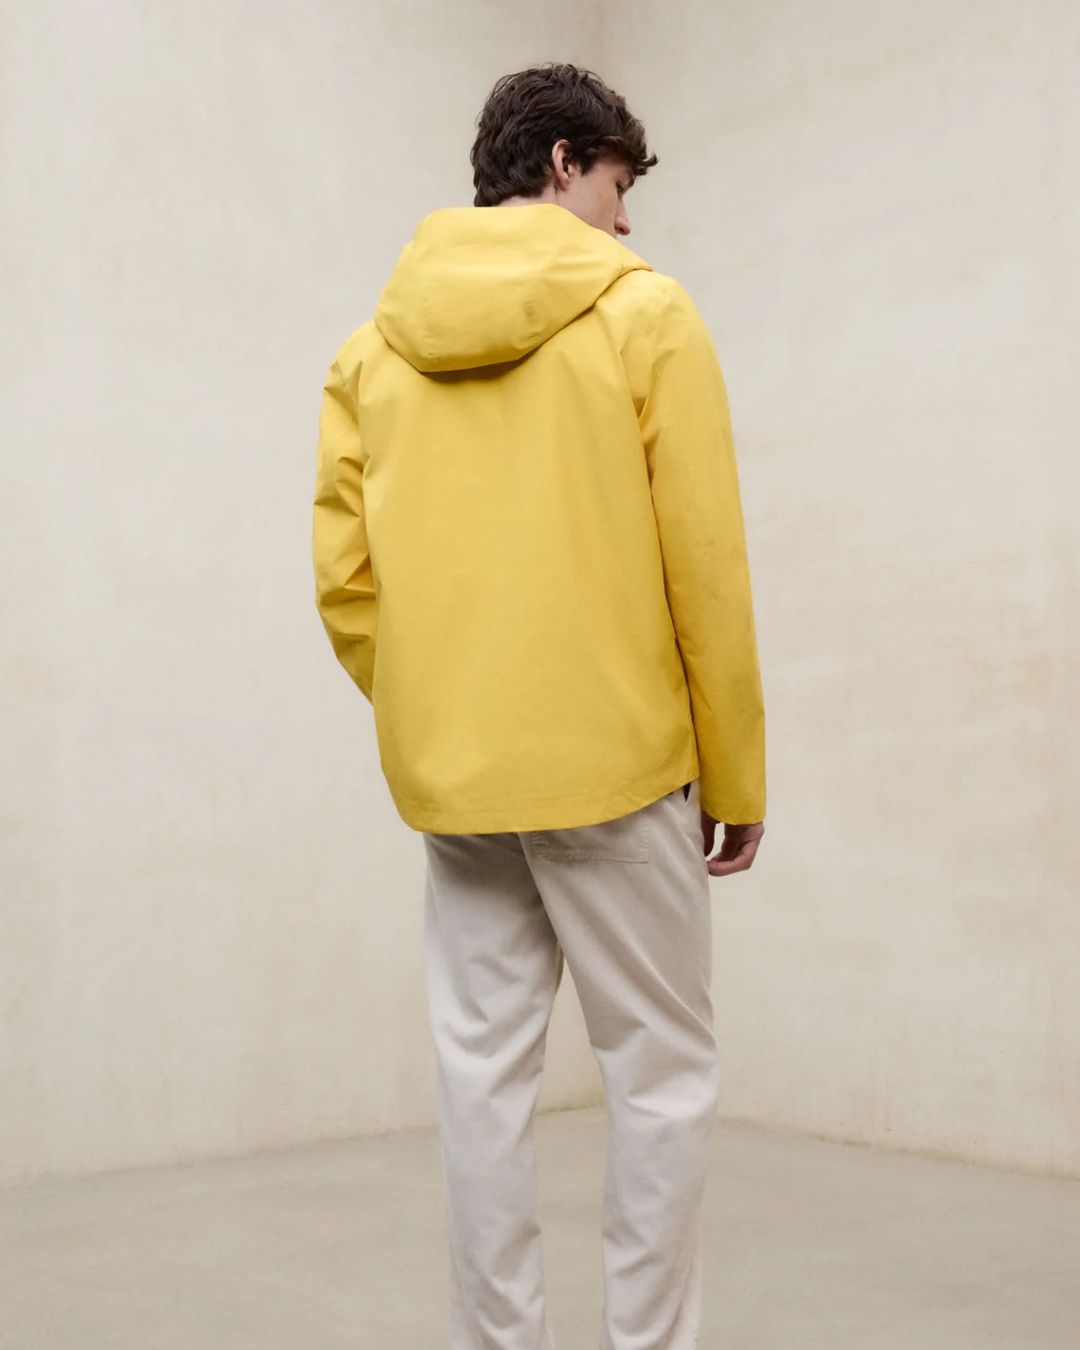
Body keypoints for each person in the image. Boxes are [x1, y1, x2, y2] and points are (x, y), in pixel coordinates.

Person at [313, 61, 765, 1350]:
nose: (625, 220)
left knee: (481, 1083)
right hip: (620, 771)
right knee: (660, 1078)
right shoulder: (645, 314)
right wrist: (735, 771)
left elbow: (346, 581)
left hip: (460, 784)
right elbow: (706, 565)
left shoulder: (370, 352)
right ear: (565, 162)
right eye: (617, 185)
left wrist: (439, 703)